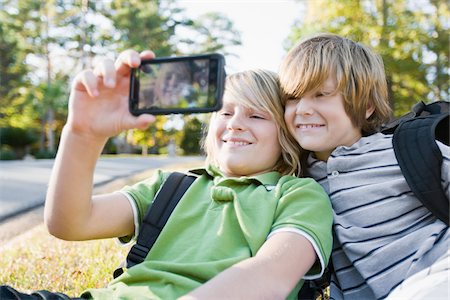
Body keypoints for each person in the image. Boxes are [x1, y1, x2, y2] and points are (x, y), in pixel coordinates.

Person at [0, 50, 333, 299]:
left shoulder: (298, 195)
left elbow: (270, 277)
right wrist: (83, 134)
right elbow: (70, 223)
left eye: (257, 115)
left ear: (286, 135)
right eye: (226, 112)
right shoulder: (172, 187)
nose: (235, 123)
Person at [279, 32, 450, 300]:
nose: (302, 109)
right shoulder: (297, 180)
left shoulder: (404, 149)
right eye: (293, 97)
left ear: (367, 105)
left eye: (321, 95)